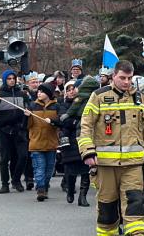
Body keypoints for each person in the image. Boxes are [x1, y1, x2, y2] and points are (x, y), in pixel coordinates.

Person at [78, 61, 144, 236]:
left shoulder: (140, 98)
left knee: (135, 204)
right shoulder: (99, 96)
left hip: (133, 164)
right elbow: (86, 126)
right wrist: (87, 151)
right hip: (105, 164)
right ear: (113, 76)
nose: (126, 82)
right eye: (122, 78)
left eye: (129, 78)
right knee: (107, 210)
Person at [60, 76, 98, 206]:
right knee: (71, 169)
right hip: (70, 139)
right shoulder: (65, 104)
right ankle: (70, 190)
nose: (73, 91)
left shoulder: (92, 101)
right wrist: (76, 121)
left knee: (86, 167)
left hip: (85, 138)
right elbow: (64, 121)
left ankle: (83, 196)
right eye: (70, 89)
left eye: (74, 88)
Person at [0, 69, 31, 193]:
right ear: (5, 80)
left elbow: (28, 109)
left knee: (22, 156)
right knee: (4, 158)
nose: (12, 80)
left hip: (19, 130)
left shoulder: (23, 94)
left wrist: (27, 115)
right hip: (4, 131)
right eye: (9, 78)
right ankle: (4, 184)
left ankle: (16, 179)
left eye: (13, 78)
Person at [27, 83, 61, 201]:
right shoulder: (33, 106)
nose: (39, 93)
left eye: (42, 91)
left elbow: (61, 121)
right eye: (38, 91)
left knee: (49, 169)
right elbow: (27, 125)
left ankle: (45, 186)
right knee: (39, 168)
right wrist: (27, 116)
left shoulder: (56, 106)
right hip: (36, 143)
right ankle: (40, 189)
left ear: (48, 93)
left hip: (51, 143)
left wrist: (52, 121)